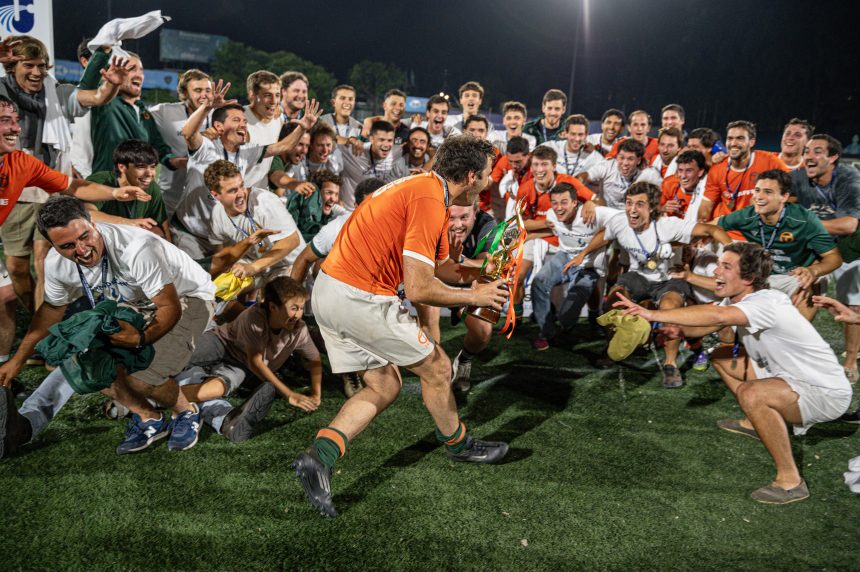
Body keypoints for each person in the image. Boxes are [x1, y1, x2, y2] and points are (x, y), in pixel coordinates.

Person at [291, 136, 510, 517]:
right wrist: (475, 296)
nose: (491, 181)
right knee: (438, 368)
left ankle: (319, 456)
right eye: (488, 174)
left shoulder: (426, 190)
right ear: (470, 176)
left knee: (384, 385)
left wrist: (480, 272)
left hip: (331, 292)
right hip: (359, 297)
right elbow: (421, 288)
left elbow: (441, 269)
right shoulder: (430, 199)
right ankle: (459, 445)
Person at [615, 242, 853, 504]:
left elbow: (718, 316)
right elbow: (708, 326)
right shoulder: (740, 299)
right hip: (788, 378)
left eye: (726, 266)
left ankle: (790, 481)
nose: (716, 271)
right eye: (719, 264)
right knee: (721, 355)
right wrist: (677, 330)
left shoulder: (766, 302)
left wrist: (651, 313)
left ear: (748, 278)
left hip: (824, 392)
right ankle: (755, 423)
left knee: (752, 393)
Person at [0, 195, 216, 455]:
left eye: (84, 237)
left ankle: (186, 412)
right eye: (68, 245)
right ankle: (149, 418)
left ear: (93, 224)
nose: (81, 250)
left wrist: (140, 339)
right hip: (133, 302)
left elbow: (169, 307)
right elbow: (52, 310)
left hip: (188, 297)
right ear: (52, 246)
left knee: (141, 378)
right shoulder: (56, 264)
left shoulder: (136, 247)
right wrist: (18, 360)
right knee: (91, 367)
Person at [569, 182, 732, 388]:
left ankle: (670, 364)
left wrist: (734, 253)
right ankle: (613, 349)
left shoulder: (668, 225)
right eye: (629, 203)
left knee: (670, 311)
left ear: (652, 208)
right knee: (613, 302)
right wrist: (583, 254)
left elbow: (712, 229)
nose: (632, 209)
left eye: (639, 204)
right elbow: (604, 234)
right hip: (639, 276)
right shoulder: (620, 221)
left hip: (670, 278)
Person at [179, 277, 322, 443]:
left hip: (241, 365)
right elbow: (256, 362)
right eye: (294, 308)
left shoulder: (299, 329)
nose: (298, 315)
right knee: (177, 356)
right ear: (273, 307)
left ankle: (162, 397)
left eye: (301, 308)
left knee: (213, 389)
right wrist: (288, 394)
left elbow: (315, 360)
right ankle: (161, 391)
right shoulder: (254, 317)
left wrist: (316, 394)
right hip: (222, 342)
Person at [0, 35, 73, 320]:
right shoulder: (2, 91)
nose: (36, 72)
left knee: (44, 263)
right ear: (12, 67)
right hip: (14, 192)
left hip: (48, 187)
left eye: (40, 65)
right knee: (17, 267)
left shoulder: (53, 92)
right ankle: (36, 319)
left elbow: (92, 97)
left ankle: (46, 330)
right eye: (28, 65)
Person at [715, 169, 841, 319]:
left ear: (784, 197)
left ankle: (798, 328)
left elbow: (834, 257)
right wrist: (728, 244)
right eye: (757, 190)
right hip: (763, 274)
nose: (759, 197)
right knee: (731, 307)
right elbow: (711, 226)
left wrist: (813, 271)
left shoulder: (803, 220)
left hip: (796, 274)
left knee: (807, 285)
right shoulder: (747, 215)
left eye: (768, 192)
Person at [791, 134, 860, 382]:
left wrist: (803, 224)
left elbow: (849, 225)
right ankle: (794, 352)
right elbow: (781, 199)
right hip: (815, 246)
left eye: (817, 151)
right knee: (802, 292)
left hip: (849, 246)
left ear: (833, 158)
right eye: (807, 151)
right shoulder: (798, 177)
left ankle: (851, 360)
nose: (808, 156)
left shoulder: (849, 177)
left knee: (853, 303)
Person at [530, 183, 619, 350]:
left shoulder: (590, 213)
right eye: (555, 203)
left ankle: (576, 322)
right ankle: (546, 333)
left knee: (566, 317)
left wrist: (592, 203)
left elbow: (613, 225)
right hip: (564, 257)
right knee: (538, 282)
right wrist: (524, 237)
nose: (558, 208)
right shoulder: (551, 215)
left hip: (588, 266)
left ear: (574, 203)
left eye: (564, 202)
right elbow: (554, 230)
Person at [75, 47, 178, 175]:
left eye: (141, 70)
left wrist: (176, 161)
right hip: (107, 184)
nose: (139, 75)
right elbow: (88, 87)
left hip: (138, 184)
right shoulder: (106, 103)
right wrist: (103, 51)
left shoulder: (145, 114)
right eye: (132, 69)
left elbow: (159, 148)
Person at [207, 160, 305, 289]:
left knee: (279, 296)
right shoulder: (217, 214)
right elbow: (222, 255)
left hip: (289, 265)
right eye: (233, 191)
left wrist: (254, 267)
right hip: (257, 267)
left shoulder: (264, 201)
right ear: (216, 195)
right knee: (217, 287)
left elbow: (292, 240)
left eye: (242, 186)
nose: (241, 193)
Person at [447, 201, 498, 392]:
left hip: (466, 278)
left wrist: (460, 260)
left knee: (483, 331)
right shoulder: (430, 221)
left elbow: (486, 265)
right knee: (429, 323)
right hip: (433, 277)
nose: (458, 225)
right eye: (451, 218)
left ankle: (464, 359)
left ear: (475, 212)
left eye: (464, 217)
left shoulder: (487, 223)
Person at [149, 69, 212, 217]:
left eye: (208, 90)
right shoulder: (164, 112)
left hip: (206, 199)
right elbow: (138, 123)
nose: (204, 95)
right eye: (198, 90)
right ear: (184, 93)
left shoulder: (219, 115)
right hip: (170, 197)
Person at [699, 120, 788, 222]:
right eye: (730, 138)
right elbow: (706, 206)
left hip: (757, 227)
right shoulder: (718, 168)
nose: (733, 143)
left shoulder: (771, 162)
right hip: (726, 226)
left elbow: (791, 193)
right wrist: (703, 225)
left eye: (740, 138)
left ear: (751, 142)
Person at [85, 139, 170, 239]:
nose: (150, 174)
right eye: (141, 167)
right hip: (100, 240)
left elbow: (163, 225)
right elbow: (86, 214)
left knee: (157, 233)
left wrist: (170, 247)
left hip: (130, 242)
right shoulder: (100, 181)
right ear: (122, 167)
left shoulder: (152, 187)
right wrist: (129, 223)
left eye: (152, 167)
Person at [338, 120, 408, 210]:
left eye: (390, 140)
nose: (386, 145)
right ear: (371, 139)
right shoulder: (354, 150)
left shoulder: (396, 154)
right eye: (381, 140)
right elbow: (329, 138)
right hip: (350, 212)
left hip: (377, 212)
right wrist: (348, 140)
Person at [577, 138, 662, 209]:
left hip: (633, 216)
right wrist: (592, 197)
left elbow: (663, 194)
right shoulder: (608, 166)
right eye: (621, 158)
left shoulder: (648, 173)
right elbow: (584, 176)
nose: (625, 163)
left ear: (639, 160)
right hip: (607, 213)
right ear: (617, 156)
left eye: (630, 159)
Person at [243, 70, 283, 189]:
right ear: (252, 95)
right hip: (236, 192)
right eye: (267, 95)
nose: (274, 101)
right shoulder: (240, 119)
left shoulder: (278, 119)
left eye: (277, 95)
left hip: (260, 193)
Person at [286, 169, 344, 242]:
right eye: (329, 193)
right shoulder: (297, 206)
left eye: (336, 194)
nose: (334, 199)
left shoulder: (332, 213)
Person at [660, 150, 707, 222]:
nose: (683, 176)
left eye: (689, 171)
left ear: (700, 172)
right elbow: (653, 210)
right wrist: (662, 209)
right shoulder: (669, 183)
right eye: (680, 170)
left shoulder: (707, 192)